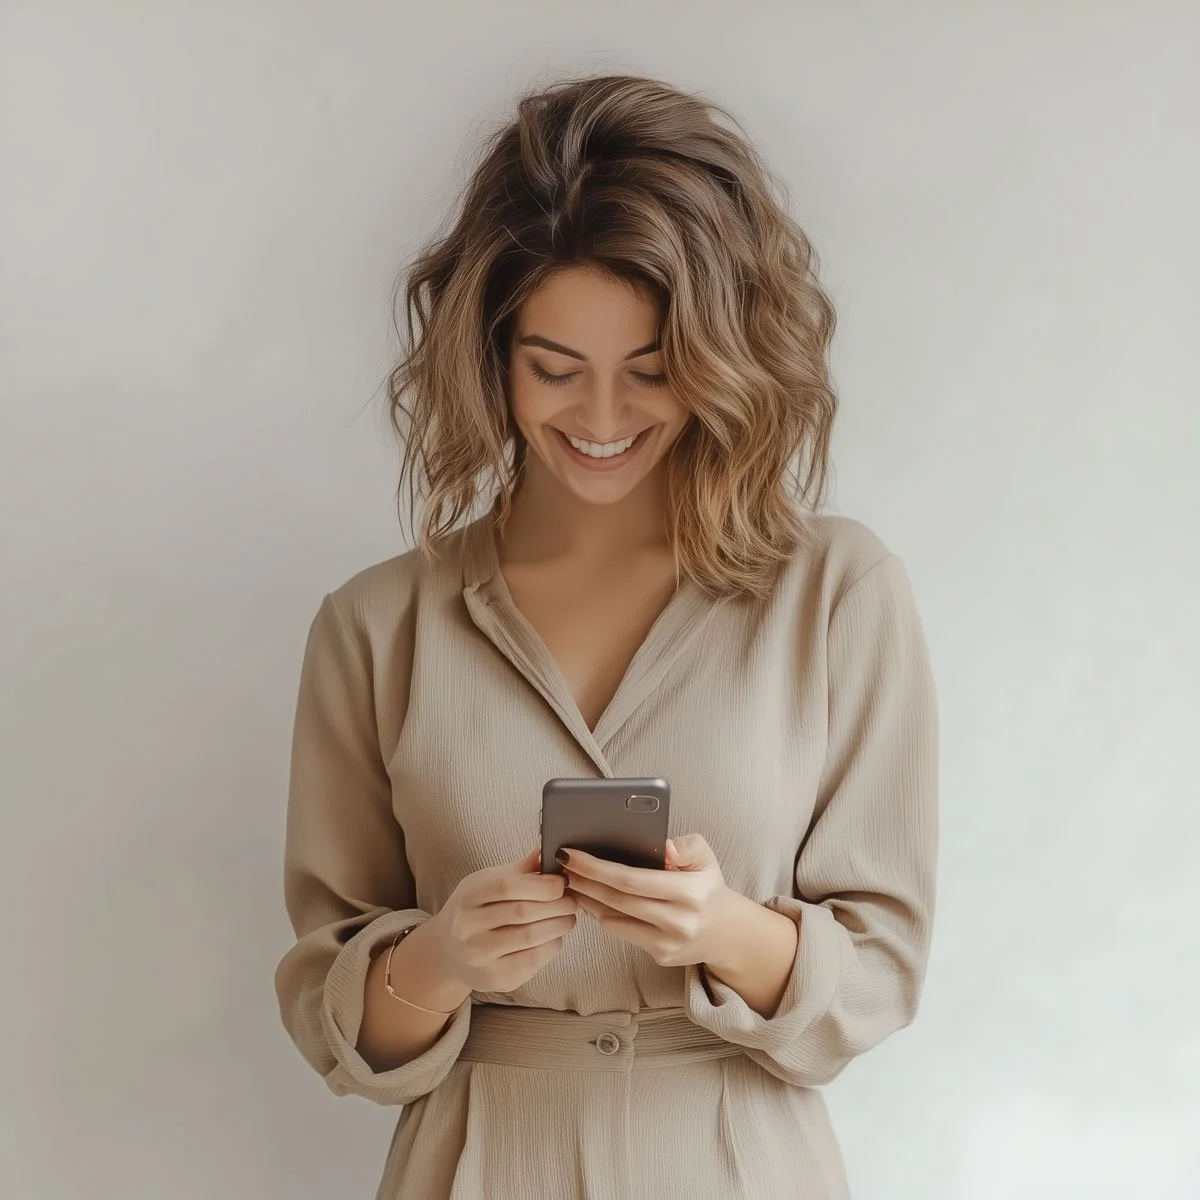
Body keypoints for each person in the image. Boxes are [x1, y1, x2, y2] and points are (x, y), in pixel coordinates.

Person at [273, 71, 938, 1200]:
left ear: (724, 357)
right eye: (554, 368)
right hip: (472, 1165)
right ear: (490, 353)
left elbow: (879, 970)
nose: (601, 419)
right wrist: (441, 959)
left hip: (738, 1161)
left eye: (651, 369)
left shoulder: (837, 593)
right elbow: (337, 1019)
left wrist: (723, 928)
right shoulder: (376, 626)